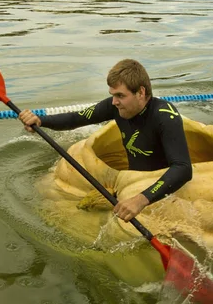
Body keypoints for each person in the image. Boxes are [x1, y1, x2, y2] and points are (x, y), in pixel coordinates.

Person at [18, 59, 192, 223]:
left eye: (120, 96)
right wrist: (41, 121)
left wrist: (141, 199)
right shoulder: (115, 106)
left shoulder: (165, 116)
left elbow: (183, 168)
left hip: (161, 192)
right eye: (112, 95)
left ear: (141, 92)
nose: (114, 101)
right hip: (129, 184)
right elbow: (76, 118)